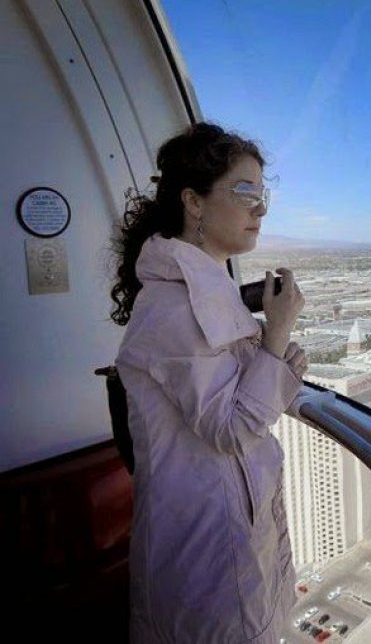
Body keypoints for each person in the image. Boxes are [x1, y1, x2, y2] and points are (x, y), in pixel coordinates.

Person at [110, 122, 307, 643]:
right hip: (208, 549)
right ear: (194, 202)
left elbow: (243, 400)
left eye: (262, 194)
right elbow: (232, 426)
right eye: (245, 193)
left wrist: (277, 355)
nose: (260, 208)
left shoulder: (208, 292)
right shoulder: (176, 307)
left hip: (230, 531)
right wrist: (278, 334)